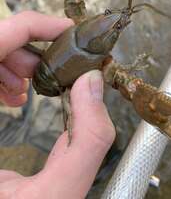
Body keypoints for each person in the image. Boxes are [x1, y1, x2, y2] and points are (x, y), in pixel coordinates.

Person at [0, 11, 115, 198]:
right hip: (47, 83)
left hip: (39, 72)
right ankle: (95, 163)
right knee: (41, 127)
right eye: (108, 14)